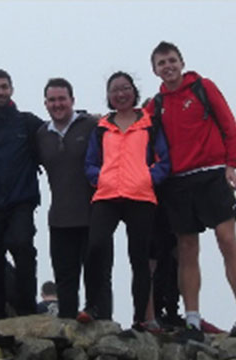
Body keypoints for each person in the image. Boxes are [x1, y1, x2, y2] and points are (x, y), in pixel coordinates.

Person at [146, 41, 236, 341]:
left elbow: (229, 124)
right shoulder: (157, 104)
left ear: (181, 62)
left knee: (227, 240)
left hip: (211, 174)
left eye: (171, 60)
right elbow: (138, 131)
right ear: (155, 70)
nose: (168, 66)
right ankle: (193, 319)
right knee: (187, 249)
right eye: (161, 63)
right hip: (178, 182)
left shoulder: (203, 88)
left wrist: (232, 163)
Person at [82, 71, 170, 330]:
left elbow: (164, 161)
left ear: (134, 91)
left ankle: (140, 318)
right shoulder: (102, 127)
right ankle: (92, 305)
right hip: (107, 195)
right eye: (115, 90)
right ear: (108, 96)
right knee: (95, 247)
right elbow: (89, 163)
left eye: (125, 88)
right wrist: (101, 178)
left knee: (139, 258)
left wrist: (147, 178)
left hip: (140, 196)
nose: (121, 94)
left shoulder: (149, 123)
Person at [0, 69, 44, 319]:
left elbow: (55, 132)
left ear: (12, 89)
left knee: (22, 246)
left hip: (21, 198)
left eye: (4, 87)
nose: (0, 92)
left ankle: (26, 309)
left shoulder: (27, 122)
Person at [36, 78, 101, 319]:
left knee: (97, 275)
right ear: (45, 104)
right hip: (60, 217)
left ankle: (103, 327)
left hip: (94, 213)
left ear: (72, 100)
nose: (57, 104)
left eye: (62, 99)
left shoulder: (92, 126)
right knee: (65, 277)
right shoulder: (41, 135)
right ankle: (67, 329)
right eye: (52, 100)